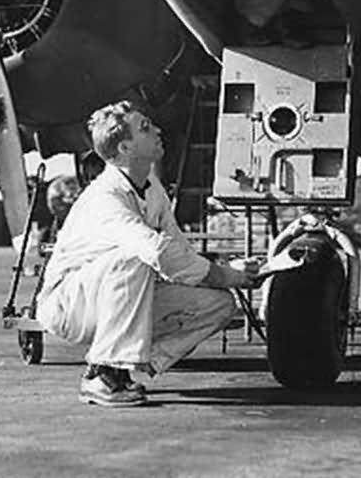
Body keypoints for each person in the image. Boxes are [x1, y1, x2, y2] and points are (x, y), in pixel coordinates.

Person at [36, 100, 260, 407]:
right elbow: (157, 252)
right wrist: (228, 275)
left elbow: (177, 249)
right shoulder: (105, 197)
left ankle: (133, 364)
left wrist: (223, 271)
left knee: (218, 304)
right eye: (144, 127)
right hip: (71, 305)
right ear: (125, 148)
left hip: (118, 295)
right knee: (135, 255)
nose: (157, 129)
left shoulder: (152, 186)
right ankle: (101, 376)